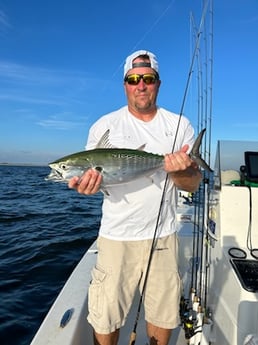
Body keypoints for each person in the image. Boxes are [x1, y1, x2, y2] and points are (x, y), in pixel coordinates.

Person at [69, 50, 202, 345]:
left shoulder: (179, 124)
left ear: (158, 82)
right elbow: (96, 180)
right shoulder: (104, 126)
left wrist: (178, 171)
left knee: (163, 313)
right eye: (133, 79)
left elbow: (192, 185)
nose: (140, 85)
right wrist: (87, 187)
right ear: (125, 84)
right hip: (116, 237)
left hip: (163, 236)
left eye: (148, 78)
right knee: (106, 315)